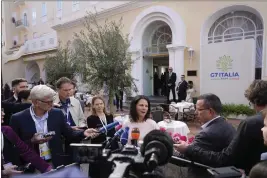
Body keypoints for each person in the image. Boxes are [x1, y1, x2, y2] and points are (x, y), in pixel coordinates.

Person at [177, 80, 267, 175]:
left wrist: (188, 149)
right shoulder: (227, 125)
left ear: (255, 101)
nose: (262, 129)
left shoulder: (250, 123)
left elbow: (225, 159)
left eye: (199, 109)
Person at [9, 85, 98, 170]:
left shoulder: (57, 114)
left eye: (52, 100)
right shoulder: (18, 118)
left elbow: (69, 133)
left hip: (55, 163)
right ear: (36, 102)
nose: (52, 104)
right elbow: (12, 147)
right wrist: (32, 141)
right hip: (32, 166)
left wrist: (83, 133)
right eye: (48, 102)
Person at [174, 93, 236, 178]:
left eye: (199, 110)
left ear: (210, 111)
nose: (195, 113)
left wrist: (168, 147)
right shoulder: (228, 125)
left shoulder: (207, 134)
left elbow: (183, 159)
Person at [1, 110, 52, 177]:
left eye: (2, 110)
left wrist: (48, 169)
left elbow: (26, 151)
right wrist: (2, 172)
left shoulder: (7, 130)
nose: (3, 113)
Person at [87, 96, 117, 178]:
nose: (99, 106)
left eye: (101, 104)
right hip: (98, 146)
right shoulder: (91, 118)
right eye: (97, 104)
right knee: (98, 169)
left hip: (111, 145)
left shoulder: (109, 115)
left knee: (110, 167)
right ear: (93, 106)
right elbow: (92, 134)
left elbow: (113, 131)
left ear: (104, 104)